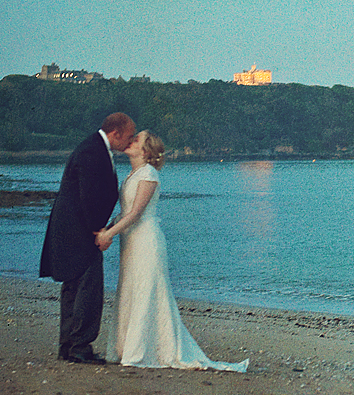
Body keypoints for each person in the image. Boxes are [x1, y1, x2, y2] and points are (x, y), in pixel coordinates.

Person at [97, 131, 247, 372]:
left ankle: (140, 351)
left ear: (145, 152)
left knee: (147, 290)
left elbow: (136, 214)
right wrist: (109, 225)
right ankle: (127, 347)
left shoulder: (149, 174)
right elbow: (126, 212)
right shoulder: (133, 174)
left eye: (137, 140)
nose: (131, 141)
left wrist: (109, 234)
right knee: (130, 289)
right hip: (131, 242)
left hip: (146, 242)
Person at [40, 112, 137, 364]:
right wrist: (99, 230)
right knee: (87, 288)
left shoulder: (94, 148)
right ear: (115, 133)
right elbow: (88, 195)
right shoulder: (93, 151)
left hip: (73, 229)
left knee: (74, 287)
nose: (130, 141)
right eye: (128, 136)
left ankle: (69, 345)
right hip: (80, 231)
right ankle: (79, 346)